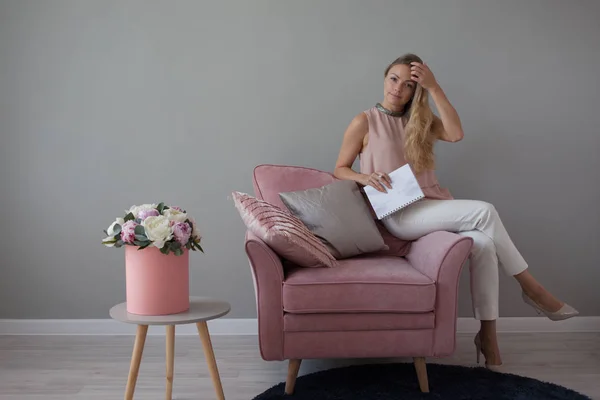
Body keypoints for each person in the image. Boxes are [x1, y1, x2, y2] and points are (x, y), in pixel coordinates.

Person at [333, 53, 579, 370]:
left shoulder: (420, 120)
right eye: (393, 79)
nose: (398, 89)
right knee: (485, 211)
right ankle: (532, 288)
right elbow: (340, 168)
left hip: (432, 205)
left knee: (484, 245)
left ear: (414, 91)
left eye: (408, 85)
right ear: (384, 79)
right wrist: (364, 177)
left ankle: (488, 337)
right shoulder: (364, 121)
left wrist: (434, 88)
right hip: (399, 214)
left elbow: (456, 133)